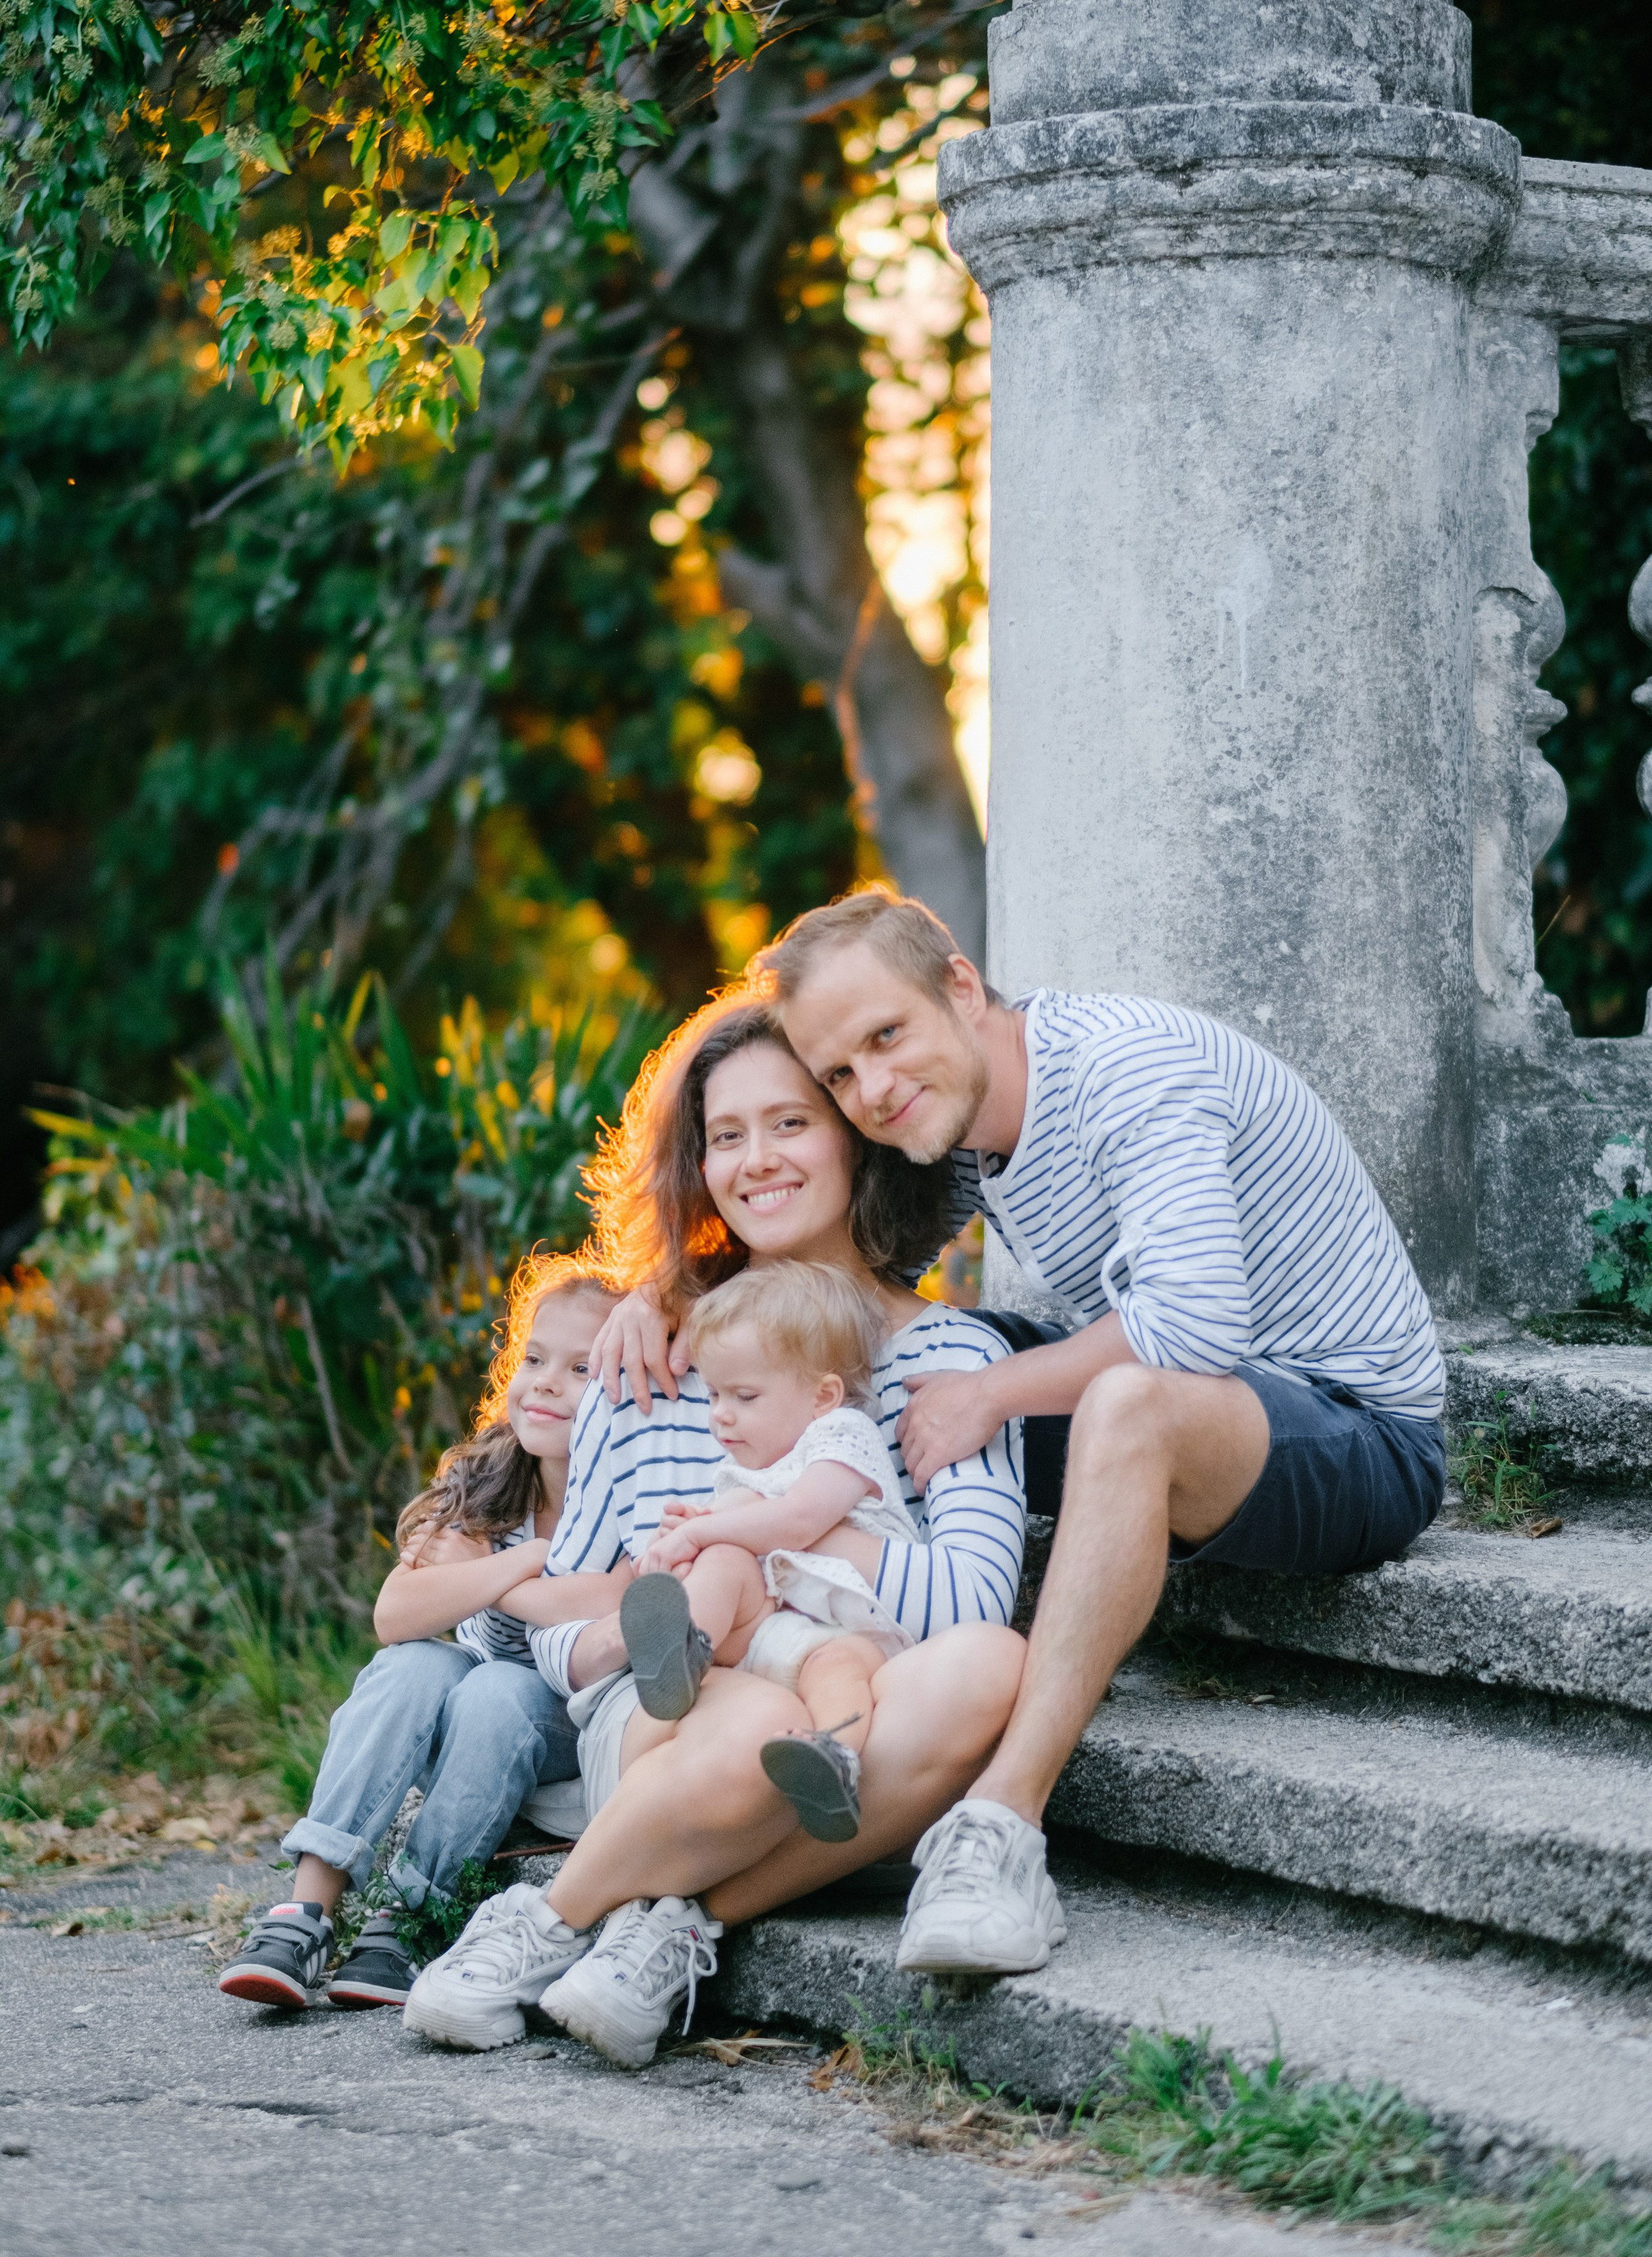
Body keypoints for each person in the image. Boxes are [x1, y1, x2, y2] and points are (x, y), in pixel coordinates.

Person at [762, 884, 1448, 1981]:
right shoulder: (966, 1129)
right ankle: (816, 1690)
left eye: (886, 1037)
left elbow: (1194, 1327)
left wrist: (993, 1396)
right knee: (926, 1353)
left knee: (1087, 1395)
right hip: (1219, 1411)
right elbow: (834, 1252)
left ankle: (1003, 1826)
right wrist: (660, 1315)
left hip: (1363, 1431)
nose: (873, 1090)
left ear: (960, 985)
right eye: (840, 1074)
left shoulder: (1125, 1068)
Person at [401, 990, 1028, 2063]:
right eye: (725, 1136)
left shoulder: (953, 1360)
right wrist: (617, 1628)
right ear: (698, 1165)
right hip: (672, 1722)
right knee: (747, 1717)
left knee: (988, 1665)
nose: (757, 1161)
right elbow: (563, 1626)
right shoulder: (645, 1356)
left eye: (790, 1122)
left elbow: (970, 1601)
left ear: (855, 1133)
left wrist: (771, 1532)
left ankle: (668, 1921)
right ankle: (555, 1925)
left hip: (853, 1717)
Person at [218, 1256, 625, 2014]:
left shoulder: (633, 1491)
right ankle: (304, 1911)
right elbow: (396, 1615)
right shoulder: (487, 1476)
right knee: (414, 1666)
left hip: (569, 1720)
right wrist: (536, 1567)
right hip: (465, 1720)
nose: (545, 1382)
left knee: (499, 1684)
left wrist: (505, 1568)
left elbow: (615, 1602)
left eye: (580, 1368)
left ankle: (411, 1918)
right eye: (534, 1359)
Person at [623, 1260, 932, 1843]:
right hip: (771, 1633)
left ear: (823, 1395)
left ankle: (831, 1757)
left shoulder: (840, 1437)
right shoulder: (747, 1470)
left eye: (744, 1395)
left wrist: (703, 1531)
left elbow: (801, 1518)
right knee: (721, 1564)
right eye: (714, 1394)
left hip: (851, 1628)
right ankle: (682, 1652)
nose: (720, 1413)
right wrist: (681, 1544)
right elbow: (738, 1536)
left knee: (841, 1674)